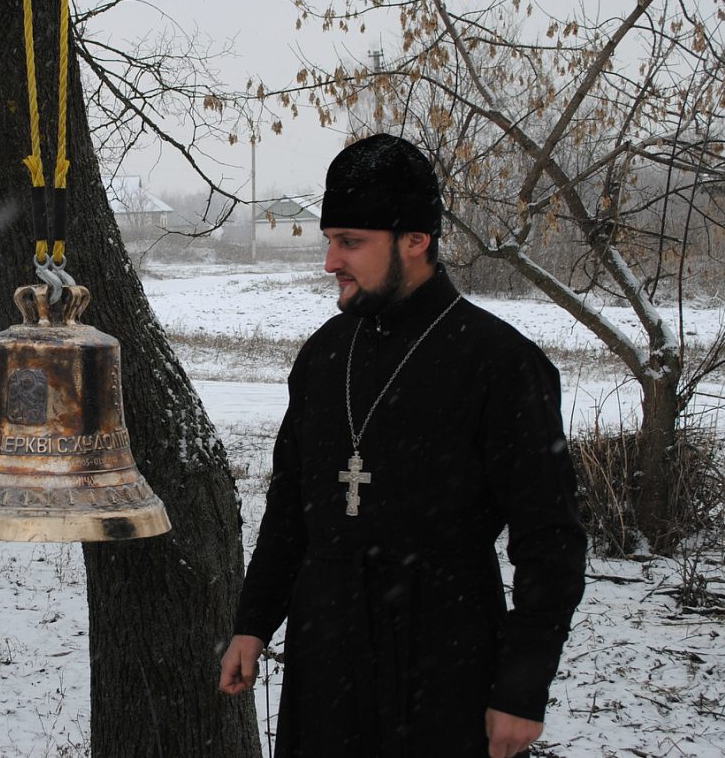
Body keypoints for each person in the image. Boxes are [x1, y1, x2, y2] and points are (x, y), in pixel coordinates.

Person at [219, 134, 587, 758]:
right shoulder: (324, 354)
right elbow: (290, 509)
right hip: (326, 651)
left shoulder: (500, 364)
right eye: (330, 239)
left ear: (417, 240)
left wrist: (522, 686)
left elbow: (549, 539)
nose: (330, 261)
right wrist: (254, 625)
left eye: (351, 242)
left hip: (446, 654)